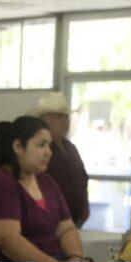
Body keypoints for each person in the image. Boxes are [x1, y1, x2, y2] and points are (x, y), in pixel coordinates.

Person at [0, 116, 91, 262]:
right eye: (41, 145)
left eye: (49, 145)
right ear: (18, 147)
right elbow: (7, 239)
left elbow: (66, 229)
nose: (49, 152)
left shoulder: (46, 182)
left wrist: (75, 259)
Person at [32, 92, 90, 227]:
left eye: (66, 117)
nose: (64, 121)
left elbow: (83, 178)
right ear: (44, 120)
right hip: (48, 220)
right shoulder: (37, 149)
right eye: (59, 117)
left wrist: (85, 206)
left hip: (74, 219)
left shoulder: (71, 148)